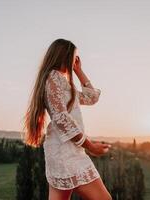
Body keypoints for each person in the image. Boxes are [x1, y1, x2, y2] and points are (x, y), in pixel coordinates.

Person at [23, 38, 112, 200]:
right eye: (74, 57)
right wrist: (90, 146)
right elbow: (61, 118)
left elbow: (92, 97)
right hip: (66, 153)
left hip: (65, 150)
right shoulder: (53, 78)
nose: (75, 61)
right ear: (65, 56)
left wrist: (79, 71)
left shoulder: (62, 83)